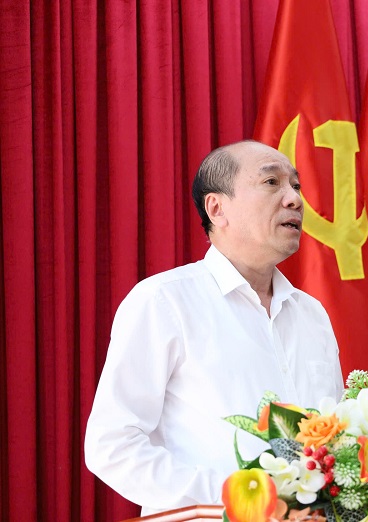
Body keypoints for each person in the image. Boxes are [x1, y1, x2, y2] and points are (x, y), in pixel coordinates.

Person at [85, 140, 344, 515]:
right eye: (272, 183)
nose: (294, 199)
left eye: (296, 186)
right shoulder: (163, 301)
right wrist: (239, 498)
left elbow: (333, 442)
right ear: (217, 208)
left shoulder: (312, 315)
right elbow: (112, 445)